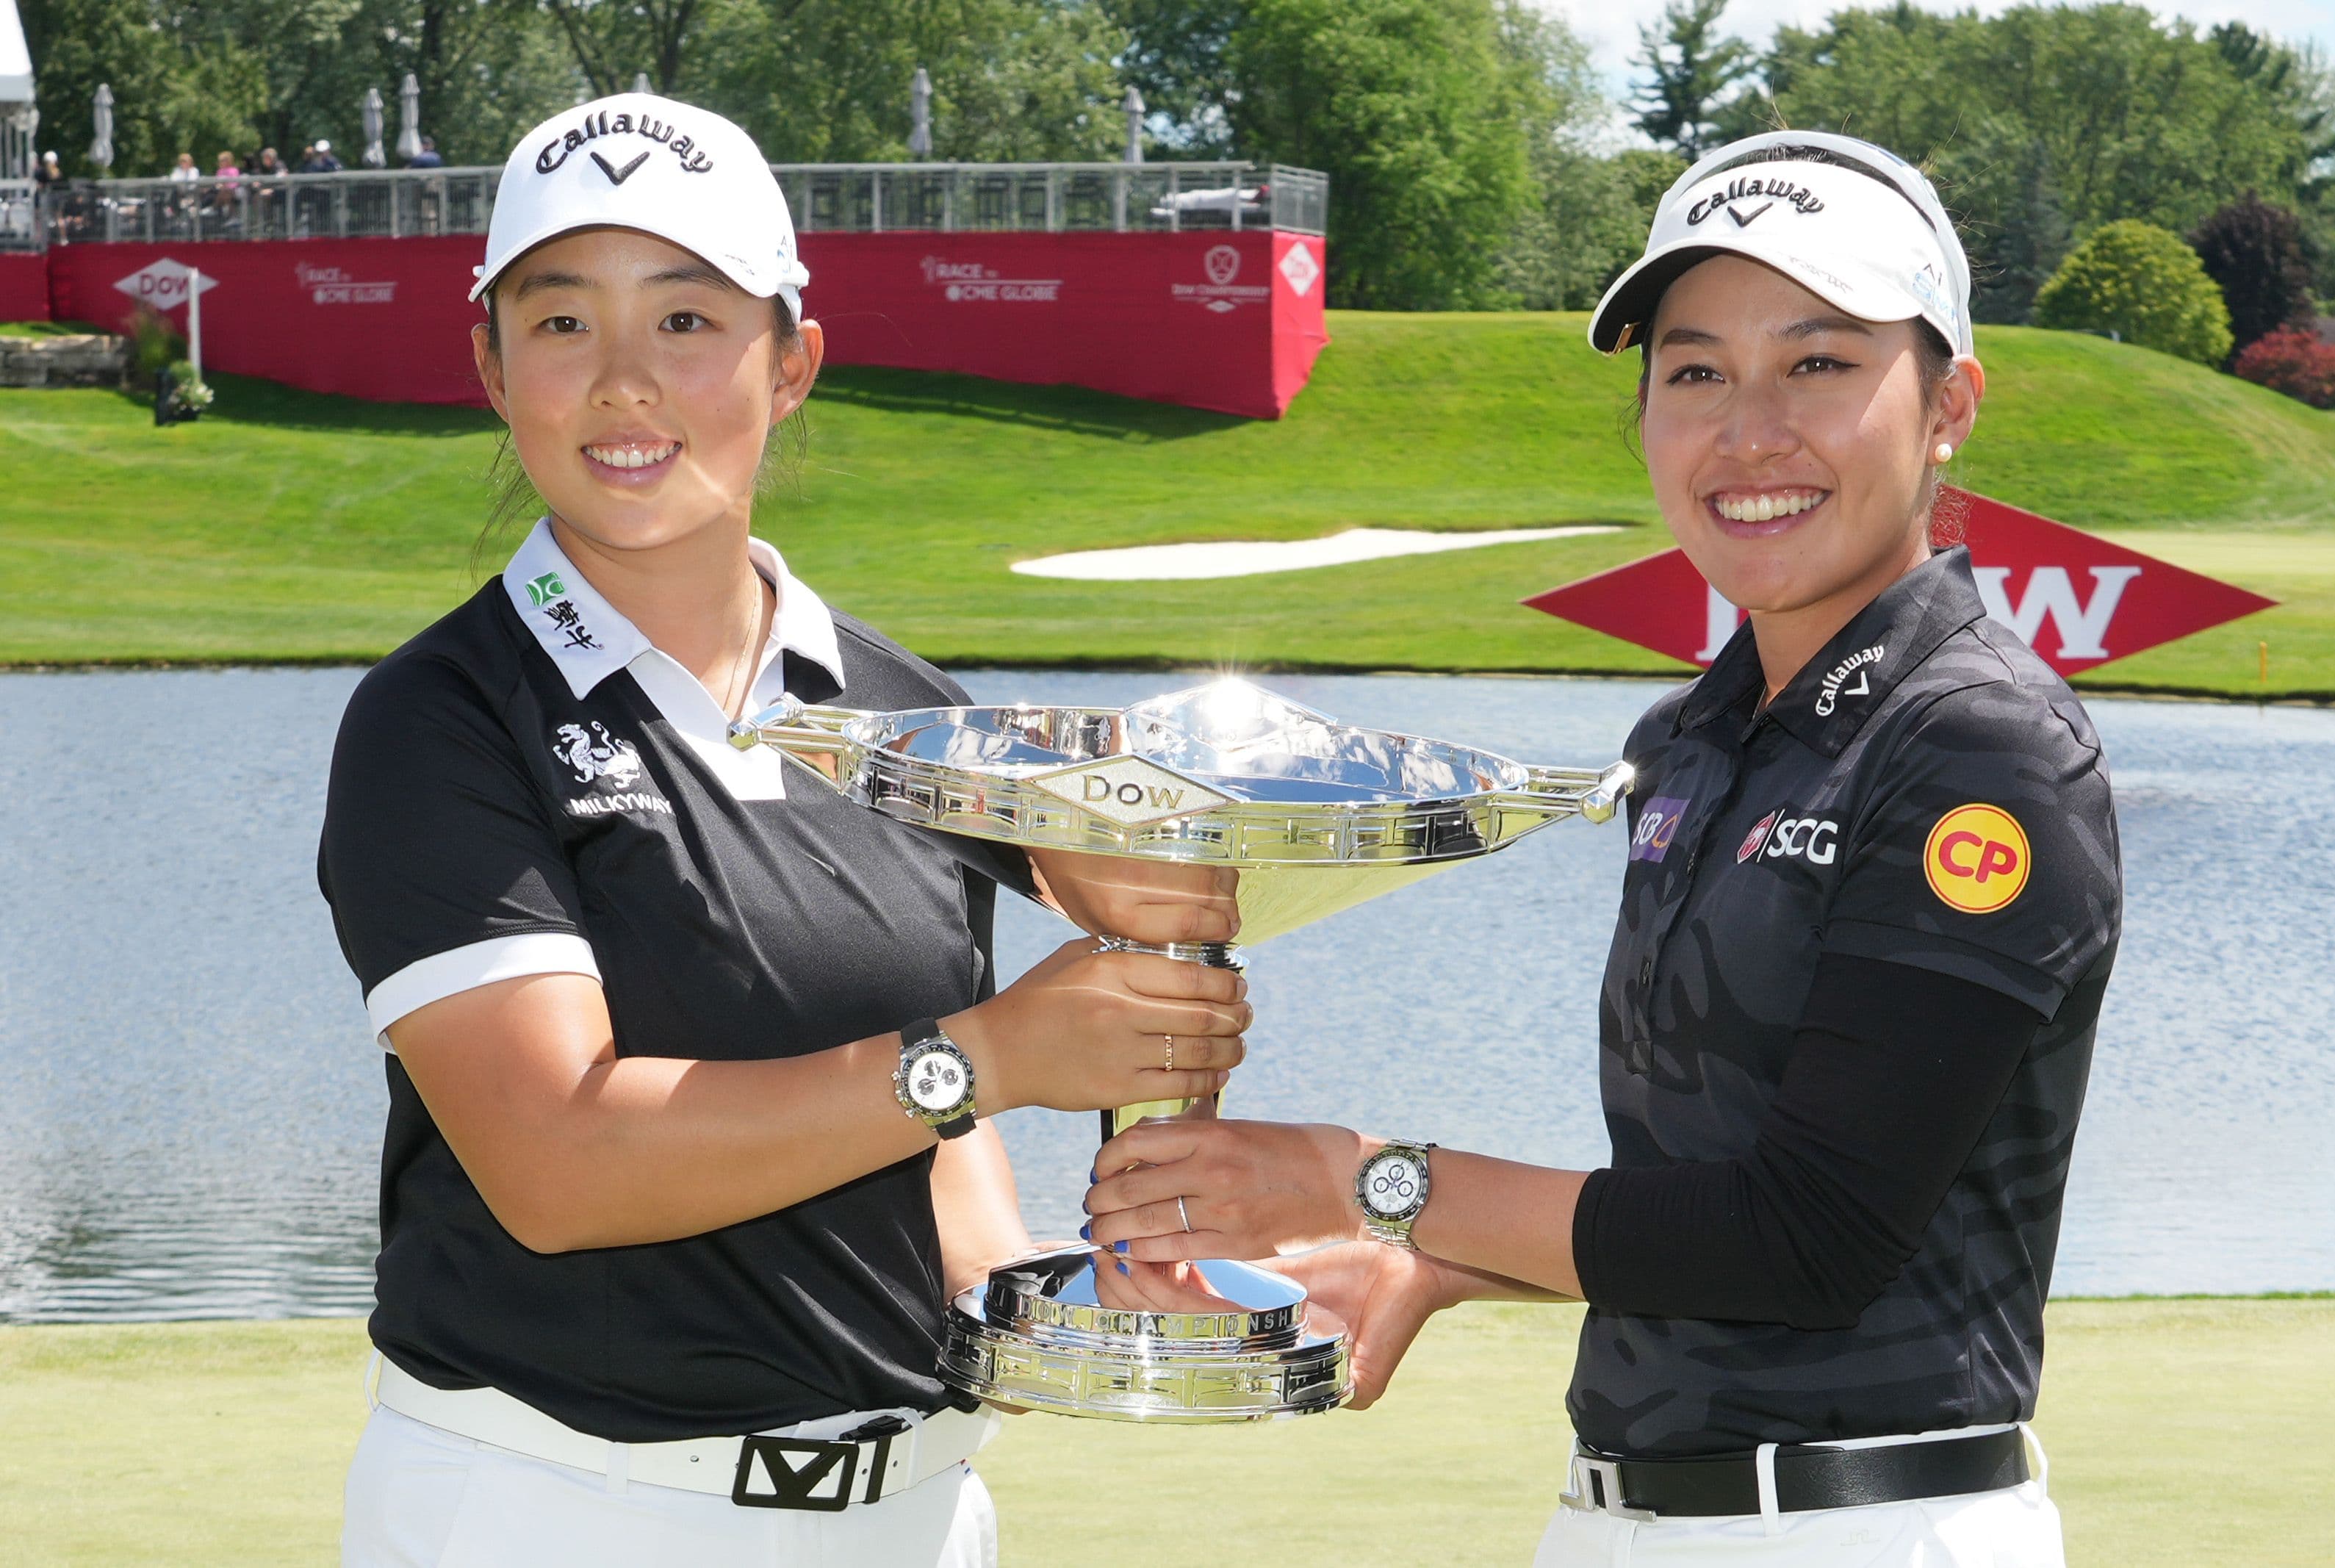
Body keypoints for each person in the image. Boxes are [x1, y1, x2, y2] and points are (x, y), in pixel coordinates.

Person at [1082, 130, 2120, 1567]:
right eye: (1694, 373)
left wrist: (1364, 1175)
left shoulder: (1979, 748)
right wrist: (1431, 1260)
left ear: (1948, 405)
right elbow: (1698, 1187)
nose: (1748, 432)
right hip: (1618, 1519)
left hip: (1868, 1526)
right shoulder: (1690, 739)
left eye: (1817, 362)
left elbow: (1811, 1236)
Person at [319, 90, 1251, 1566]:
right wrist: (993, 1054)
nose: (625, 381)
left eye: (686, 319)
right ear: (492, 367)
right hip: (558, 1512)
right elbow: (557, 1161)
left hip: (916, 1510)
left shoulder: (907, 713)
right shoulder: (440, 717)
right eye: (561, 323)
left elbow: (931, 1137)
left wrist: (1057, 1295)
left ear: (793, 361)